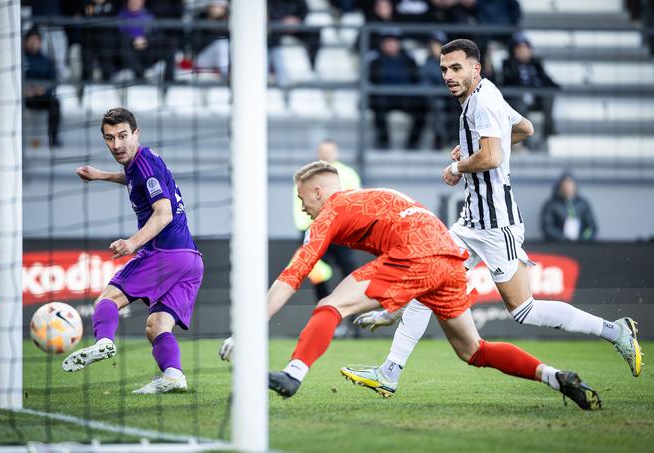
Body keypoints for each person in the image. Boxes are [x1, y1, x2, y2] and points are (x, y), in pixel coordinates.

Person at [341, 39, 642, 397]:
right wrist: (475, 148)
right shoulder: (487, 94)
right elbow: (526, 128)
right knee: (429, 285)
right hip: (471, 223)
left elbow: (492, 158)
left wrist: (458, 165)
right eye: (443, 70)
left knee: (524, 310)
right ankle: (389, 372)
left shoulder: (482, 102)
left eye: (456, 68)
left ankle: (615, 331)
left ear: (475, 68)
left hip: (496, 223)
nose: (448, 76)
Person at [221, 161, 601, 410]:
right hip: (451, 260)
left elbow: (295, 273)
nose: (302, 207)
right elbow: (418, 242)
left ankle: (293, 374)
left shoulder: (331, 211)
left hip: (416, 255)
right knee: (473, 350)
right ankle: (554, 376)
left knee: (331, 306)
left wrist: (248, 331)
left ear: (319, 192)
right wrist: (395, 306)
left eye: (302, 199)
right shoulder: (376, 195)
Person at [62, 108, 204, 395]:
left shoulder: (144, 164)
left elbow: (162, 214)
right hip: (191, 259)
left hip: (165, 254)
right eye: (109, 138)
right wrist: (101, 175)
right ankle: (174, 375)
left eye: (123, 136)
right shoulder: (143, 162)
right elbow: (134, 178)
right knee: (157, 325)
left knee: (108, 299)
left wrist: (132, 243)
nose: (117, 145)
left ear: (136, 133)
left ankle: (104, 342)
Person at [292, 140, 361, 337]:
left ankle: (353, 322)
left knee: (351, 273)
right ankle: (326, 321)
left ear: (336, 152)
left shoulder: (347, 174)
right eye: (323, 151)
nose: (327, 154)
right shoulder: (306, 175)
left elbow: (357, 201)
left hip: (341, 232)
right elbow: (299, 204)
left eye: (329, 151)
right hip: (314, 231)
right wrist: (305, 228)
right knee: (317, 274)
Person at [368, 31, 426, 150]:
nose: (390, 45)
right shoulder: (376, 61)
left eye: (393, 42)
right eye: (387, 42)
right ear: (382, 44)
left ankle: (412, 144)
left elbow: (416, 80)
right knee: (377, 107)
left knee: (423, 108)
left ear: (398, 43)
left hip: (405, 98)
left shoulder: (409, 60)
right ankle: (383, 143)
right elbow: (372, 81)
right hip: (384, 98)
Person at [502, 34, 559, 142]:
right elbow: (508, 82)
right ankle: (524, 138)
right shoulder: (508, 64)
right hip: (517, 100)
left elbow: (546, 79)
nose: (524, 52)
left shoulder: (535, 63)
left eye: (526, 49)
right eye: (520, 49)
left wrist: (555, 86)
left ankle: (548, 129)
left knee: (548, 96)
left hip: (535, 98)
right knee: (521, 106)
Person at [23, 28, 62, 147]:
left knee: (55, 102)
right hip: (24, 98)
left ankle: (53, 139)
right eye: (31, 40)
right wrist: (24, 90)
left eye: (36, 40)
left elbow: (54, 81)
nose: (34, 43)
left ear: (40, 42)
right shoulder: (20, 59)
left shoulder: (46, 61)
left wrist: (44, 90)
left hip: (41, 97)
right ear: (26, 42)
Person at [541, 172, 597, 242]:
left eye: (570, 184)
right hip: (558, 245)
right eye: (565, 184)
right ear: (559, 187)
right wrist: (563, 238)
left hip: (581, 246)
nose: (567, 187)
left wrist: (582, 238)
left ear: (575, 186)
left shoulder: (583, 204)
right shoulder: (551, 205)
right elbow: (548, 227)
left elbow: (591, 227)